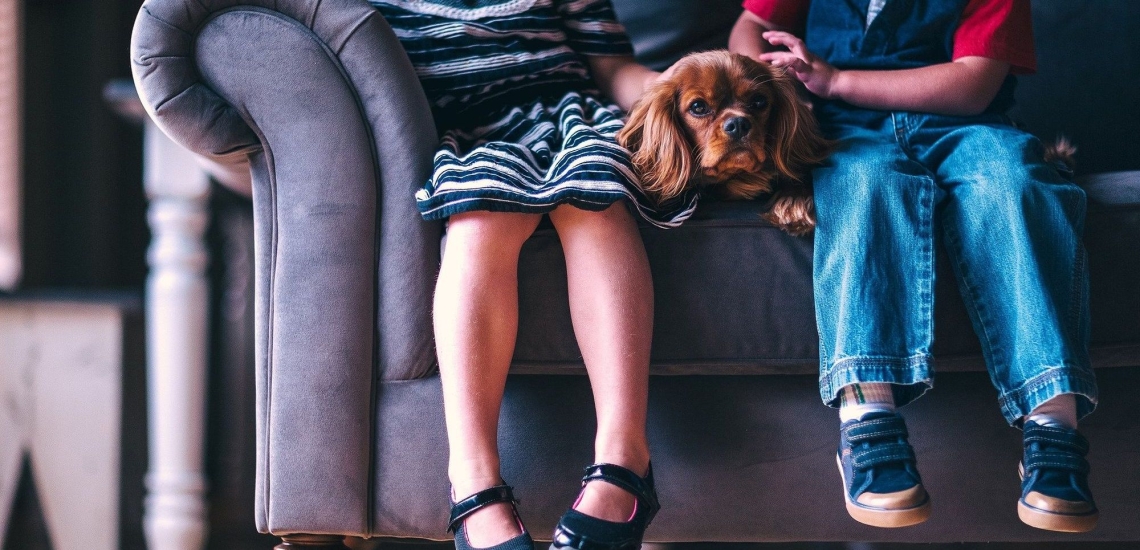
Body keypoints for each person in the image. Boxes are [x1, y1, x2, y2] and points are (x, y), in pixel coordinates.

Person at [729, 0, 1098, 533]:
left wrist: (835, 80)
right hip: (848, 133)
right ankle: (868, 415)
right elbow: (755, 24)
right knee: (863, 187)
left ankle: (1052, 422)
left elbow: (973, 84)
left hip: (965, 126)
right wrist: (767, 89)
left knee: (1014, 187)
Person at [366, 1, 688, 549]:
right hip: (468, 128)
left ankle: (624, 458)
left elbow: (613, 68)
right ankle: (474, 484)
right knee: (479, 219)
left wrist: (673, 88)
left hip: (570, 114)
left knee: (593, 198)